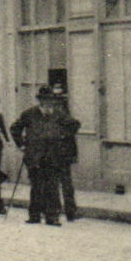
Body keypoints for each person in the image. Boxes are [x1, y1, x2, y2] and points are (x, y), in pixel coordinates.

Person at [11, 85, 67, 226]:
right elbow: (15, 128)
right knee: (37, 186)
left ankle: (52, 216)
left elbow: (73, 125)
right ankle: (34, 215)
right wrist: (21, 144)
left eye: (50, 100)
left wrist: (62, 138)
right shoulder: (29, 114)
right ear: (40, 101)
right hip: (35, 156)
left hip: (53, 156)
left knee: (52, 187)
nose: (48, 103)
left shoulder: (59, 115)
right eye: (45, 100)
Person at [51, 86, 81, 222]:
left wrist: (62, 135)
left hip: (59, 153)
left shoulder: (58, 113)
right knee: (64, 183)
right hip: (61, 153)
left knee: (58, 183)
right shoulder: (63, 111)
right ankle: (69, 211)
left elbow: (74, 125)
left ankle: (63, 210)